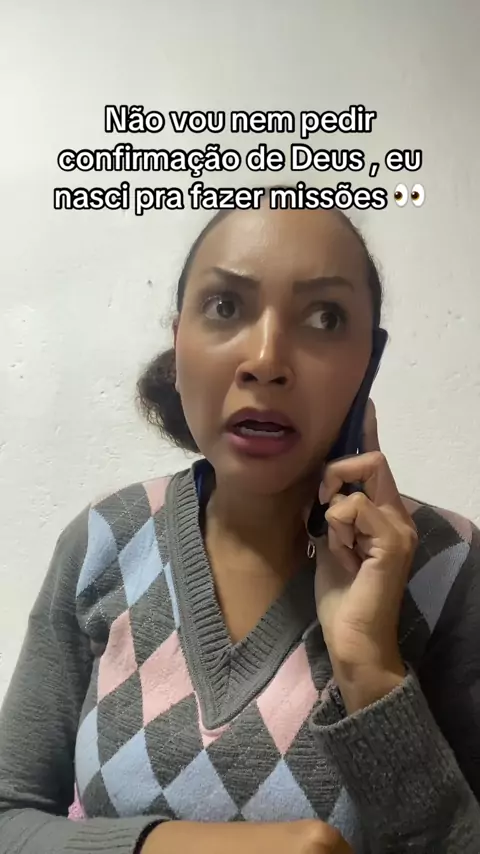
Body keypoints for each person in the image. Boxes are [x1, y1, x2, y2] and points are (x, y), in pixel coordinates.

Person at [0, 200, 479, 854]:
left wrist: (367, 663)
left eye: (325, 317)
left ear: (369, 360)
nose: (265, 359)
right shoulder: (106, 540)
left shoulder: (447, 565)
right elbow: (9, 817)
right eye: (225, 307)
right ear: (179, 344)